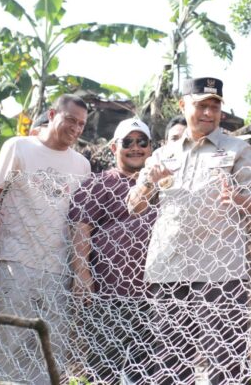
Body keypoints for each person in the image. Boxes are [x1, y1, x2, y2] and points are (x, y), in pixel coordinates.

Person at [127, 77, 251, 384]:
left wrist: (238, 197)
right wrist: (150, 182)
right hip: (169, 270)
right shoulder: (163, 155)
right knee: (169, 362)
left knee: (226, 362)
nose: (208, 113)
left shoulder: (237, 149)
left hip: (220, 272)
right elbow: (133, 206)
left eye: (215, 106)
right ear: (183, 105)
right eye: (201, 105)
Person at [0, 94, 91, 383]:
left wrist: (79, 270)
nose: (76, 129)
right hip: (15, 260)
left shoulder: (82, 165)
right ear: (53, 113)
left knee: (48, 346)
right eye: (71, 120)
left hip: (58, 269)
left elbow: (78, 221)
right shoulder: (19, 147)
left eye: (81, 124)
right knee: (7, 340)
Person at [68, 117, 155, 383]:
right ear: (114, 149)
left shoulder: (162, 184)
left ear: (151, 148)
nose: (135, 147)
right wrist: (82, 274)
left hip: (154, 297)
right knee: (105, 370)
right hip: (108, 295)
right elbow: (81, 229)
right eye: (127, 142)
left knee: (148, 372)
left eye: (142, 142)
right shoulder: (100, 183)